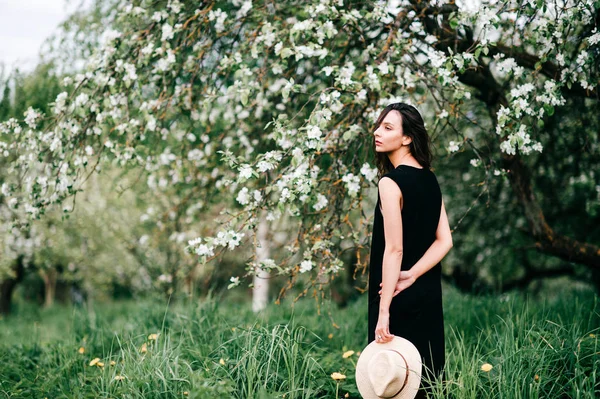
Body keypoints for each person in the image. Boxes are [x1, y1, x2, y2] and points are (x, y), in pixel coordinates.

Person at [367, 102, 453, 398]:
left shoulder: (390, 184)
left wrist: (383, 310)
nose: (377, 132)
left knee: (394, 383)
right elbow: (444, 241)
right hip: (426, 290)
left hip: (396, 295)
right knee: (426, 379)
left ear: (407, 138)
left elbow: (394, 250)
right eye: (378, 126)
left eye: (387, 128)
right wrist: (414, 275)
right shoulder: (430, 179)